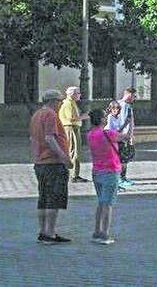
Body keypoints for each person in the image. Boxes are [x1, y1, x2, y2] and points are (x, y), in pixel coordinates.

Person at [31, 89, 72, 244]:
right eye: (60, 101)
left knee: (43, 198)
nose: (61, 104)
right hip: (52, 162)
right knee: (53, 198)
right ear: (54, 101)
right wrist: (64, 157)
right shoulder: (50, 115)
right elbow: (50, 138)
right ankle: (50, 233)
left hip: (40, 162)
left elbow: (33, 139)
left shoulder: (36, 115)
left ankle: (43, 231)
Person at [86, 108, 123, 244]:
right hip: (111, 170)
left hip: (97, 170)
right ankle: (105, 233)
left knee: (101, 202)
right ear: (102, 119)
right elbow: (126, 136)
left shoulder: (90, 134)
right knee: (108, 204)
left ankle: (96, 231)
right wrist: (128, 124)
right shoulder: (109, 134)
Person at [58, 86, 88, 183]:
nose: (80, 95)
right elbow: (72, 118)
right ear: (72, 94)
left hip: (73, 128)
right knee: (74, 151)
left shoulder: (71, 103)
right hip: (71, 128)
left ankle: (75, 174)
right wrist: (84, 116)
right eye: (78, 93)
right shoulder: (68, 104)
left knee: (75, 151)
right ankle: (74, 175)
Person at [114, 88, 136, 188]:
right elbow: (127, 121)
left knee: (123, 157)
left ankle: (122, 177)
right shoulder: (125, 106)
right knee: (123, 157)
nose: (134, 98)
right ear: (128, 95)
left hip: (120, 134)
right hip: (123, 135)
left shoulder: (117, 104)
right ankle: (120, 178)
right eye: (134, 96)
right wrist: (128, 135)